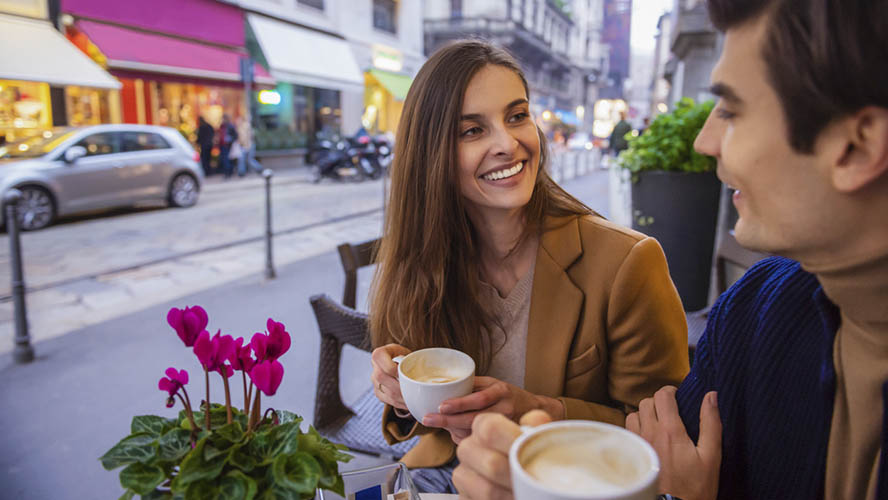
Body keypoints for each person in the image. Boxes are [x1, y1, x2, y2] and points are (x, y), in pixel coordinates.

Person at [451, 0, 888, 499]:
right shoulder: (754, 310)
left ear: (857, 146)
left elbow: (649, 462)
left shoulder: (665, 277)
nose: (705, 141)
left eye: (730, 109)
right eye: (471, 129)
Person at [368, 40, 690, 494]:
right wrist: (401, 394)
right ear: (431, 154)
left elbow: (666, 437)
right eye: (472, 131)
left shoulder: (627, 262)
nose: (508, 143)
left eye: (517, 116)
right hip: (444, 476)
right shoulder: (421, 257)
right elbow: (432, 424)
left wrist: (541, 410)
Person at [217, 114, 238, 179]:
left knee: (227, 160)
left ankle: (228, 173)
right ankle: (227, 173)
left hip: (228, 146)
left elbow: (236, 136)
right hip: (222, 145)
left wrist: (230, 140)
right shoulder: (222, 126)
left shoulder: (230, 126)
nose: (222, 120)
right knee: (224, 159)